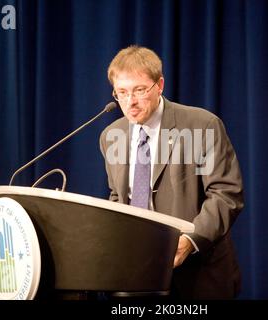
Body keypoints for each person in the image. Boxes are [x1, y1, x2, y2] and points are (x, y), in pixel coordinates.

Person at [99, 45, 244, 299]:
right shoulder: (112, 136)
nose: (129, 102)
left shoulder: (201, 126)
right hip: (137, 274)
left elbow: (225, 194)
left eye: (139, 90)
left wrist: (191, 239)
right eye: (121, 92)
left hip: (198, 275)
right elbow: (119, 197)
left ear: (160, 85)